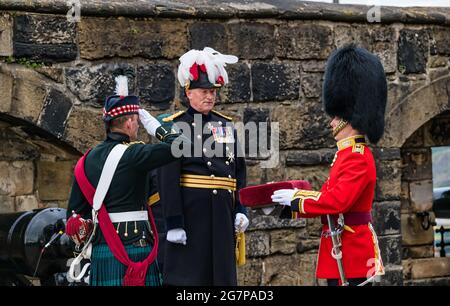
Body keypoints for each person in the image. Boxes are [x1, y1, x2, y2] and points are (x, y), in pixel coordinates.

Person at [271, 44, 387, 286]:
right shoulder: (346, 155)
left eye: (335, 116)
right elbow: (326, 198)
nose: (331, 122)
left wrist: (296, 199)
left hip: (354, 253)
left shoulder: (357, 156)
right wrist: (285, 207)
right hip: (342, 248)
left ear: (348, 117)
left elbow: (337, 201)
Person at [66, 74, 181, 286]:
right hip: (135, 247)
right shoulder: (134, 154)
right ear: (128, 122)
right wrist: (157, 128)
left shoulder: (85, 161)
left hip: (102, 248)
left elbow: (74, 214)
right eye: (137, 122)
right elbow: (180, 146)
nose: (138, 126)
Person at [156, 47, 249, 286]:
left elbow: (238, 171)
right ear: (188, 92)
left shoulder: (224, 125)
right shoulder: (176, 126)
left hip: (222, 214)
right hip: (191, 215)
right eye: (204, 91)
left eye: (212, 91)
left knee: (221, 278)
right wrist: (174, 222)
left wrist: (241, 208)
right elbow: (167, 179)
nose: (210, 96)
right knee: (190, 278)